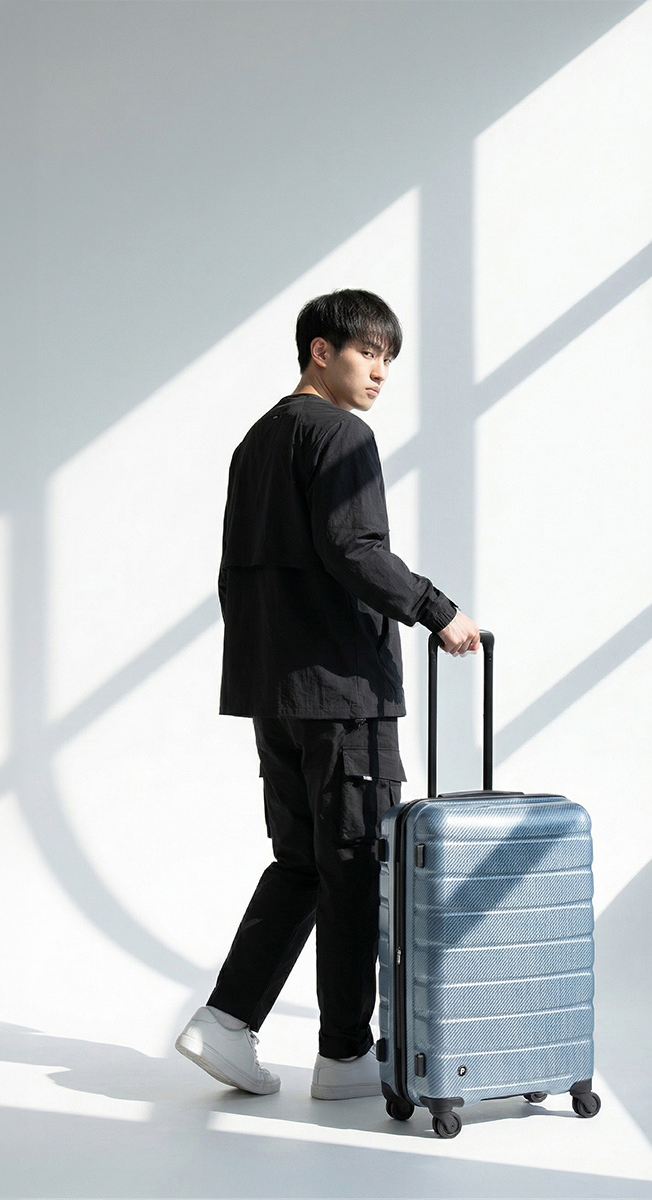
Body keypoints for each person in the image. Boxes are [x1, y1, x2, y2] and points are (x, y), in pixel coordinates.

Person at [175, 288, 480, 1100]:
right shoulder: (342, 434)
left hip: (275, 689)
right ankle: (344, 1058)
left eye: (388, 358)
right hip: (344, 692)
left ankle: (226, 1022)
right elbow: (354, 548)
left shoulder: (257, 441)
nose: (380, 372)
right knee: (354, 866)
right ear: (320, 350)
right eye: (367, 353)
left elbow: (234, 574)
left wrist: (264, 668)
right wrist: (437, 610)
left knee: (303, 862)